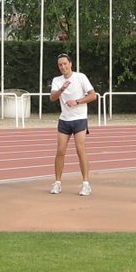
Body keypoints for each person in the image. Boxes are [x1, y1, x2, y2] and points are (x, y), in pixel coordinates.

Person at [49, 53, 97, 196]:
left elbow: (93, 95)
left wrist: (77, 101)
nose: (63, 67)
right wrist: (62, 89)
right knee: (60, 151)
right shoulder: (57, 80)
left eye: (65, 64)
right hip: (64, 119)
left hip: (79, 118)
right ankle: (57, 183)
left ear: (70, 64)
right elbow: (52, 98)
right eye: (60, 65)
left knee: (80, 149)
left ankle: (86, 183)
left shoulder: (80, 77)